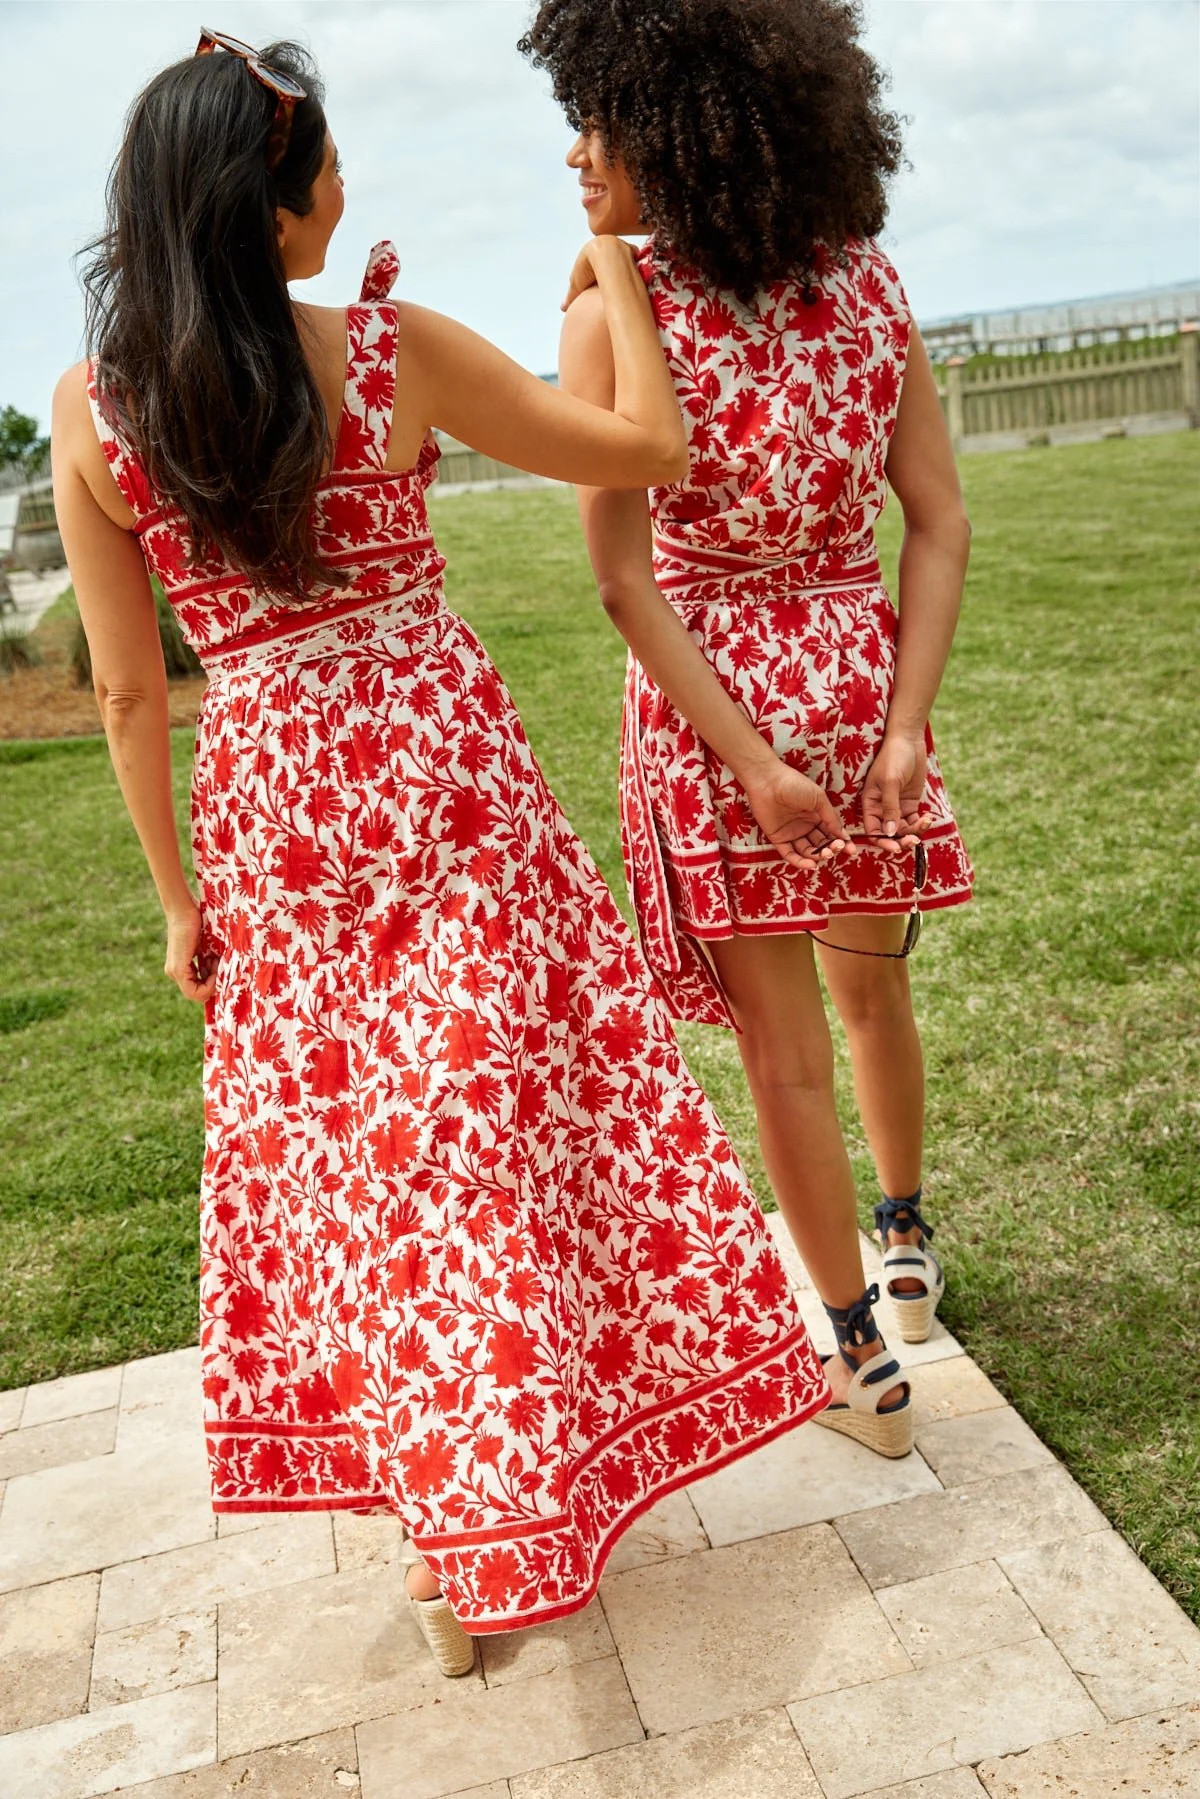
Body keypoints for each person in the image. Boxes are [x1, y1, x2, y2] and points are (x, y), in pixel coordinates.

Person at [51, 33, 834, 1676]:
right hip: (437, 790)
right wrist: (615, 264)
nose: (346, 186)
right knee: (480, 1152)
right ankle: (515, 1502)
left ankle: (442, 1532)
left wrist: (180, 902)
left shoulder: (93, 413)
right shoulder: (392, 357)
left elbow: (131, 690)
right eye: (322, 164)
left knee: (364, 1180)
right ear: (270, 211)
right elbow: (647, 452)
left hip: (274, 817)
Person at [521, 0, 974, 1460]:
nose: (576, 153)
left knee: (787, 1051)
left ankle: (860, 1360)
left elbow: (621, 576)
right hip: (856, 693)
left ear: (686, 136)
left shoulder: (615, 313)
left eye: (602, 123)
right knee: (870, 996)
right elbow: (941, 526)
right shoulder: (867, 281)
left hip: (719, 718)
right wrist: (901, 731)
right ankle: (903, 1247)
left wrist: (756, 764)